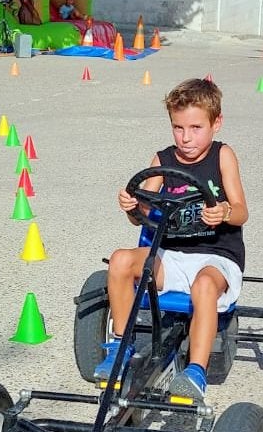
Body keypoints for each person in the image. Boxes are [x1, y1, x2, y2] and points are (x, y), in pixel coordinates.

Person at [96, 77, 247, 398]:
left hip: (216, 256)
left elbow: (241, 211)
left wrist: (224, 212)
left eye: (195, 128)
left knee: (204, 286)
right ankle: (121, 348)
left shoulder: (222, 156)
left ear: (215, 124)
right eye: (178, 128)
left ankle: (195, 371)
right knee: (121, 260)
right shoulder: (162, 161)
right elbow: (142, 214)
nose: (186, 138)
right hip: (172, 255)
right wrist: (131, 206)